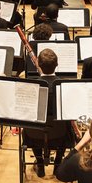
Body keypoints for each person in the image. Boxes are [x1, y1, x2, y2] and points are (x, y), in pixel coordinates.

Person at [27, 48, 69, 176]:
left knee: (32, 123)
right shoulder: (64, 86)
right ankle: (58, 163)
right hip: (61, 136)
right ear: (57, 65)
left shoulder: (31, 86)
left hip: (34, 136)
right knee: (65, 124)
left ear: (38, 64)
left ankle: (40, 163)